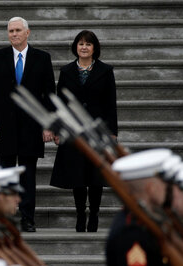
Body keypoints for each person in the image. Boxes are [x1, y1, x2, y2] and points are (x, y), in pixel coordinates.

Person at [0, 17, 56, 232]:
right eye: (10, 31)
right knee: (4, 174)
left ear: (27, 33)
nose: (13, 34)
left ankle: (27, 218)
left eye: (17, 30)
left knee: (28, 175)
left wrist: (48, 124)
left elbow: (50, 95)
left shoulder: (42, 58)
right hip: (3, 127)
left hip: (31, 127)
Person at [49, 30, 118, 232]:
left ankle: (94, 214)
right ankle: (80, 215)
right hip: (73, 131)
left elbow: (110, 103)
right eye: (81, 44)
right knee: (77, 175)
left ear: (94, 48)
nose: (84, 47)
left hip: (97, 130)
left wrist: (111, 131)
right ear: (75, 47)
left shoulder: (105, 71)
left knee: (95, 175)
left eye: (88, 44)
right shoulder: (67, 71)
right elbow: (59, 103)